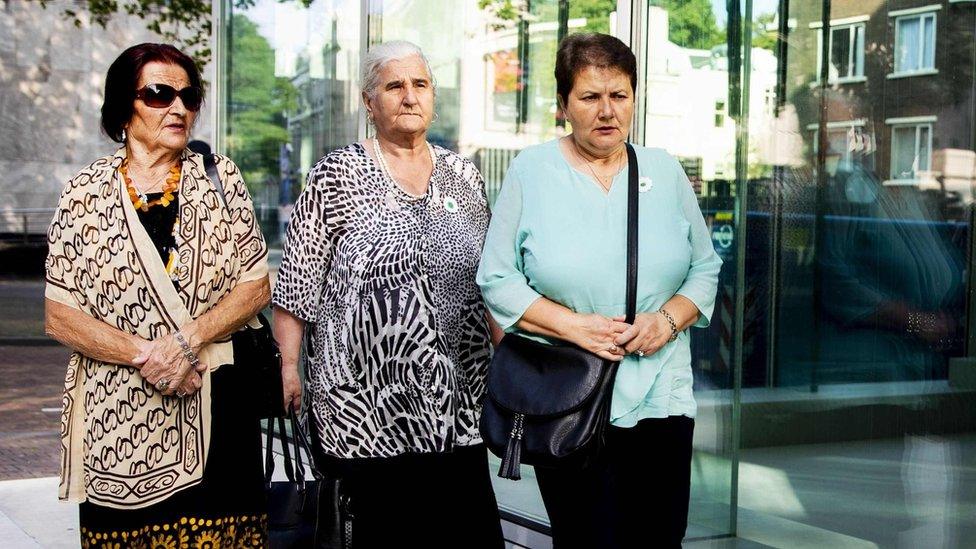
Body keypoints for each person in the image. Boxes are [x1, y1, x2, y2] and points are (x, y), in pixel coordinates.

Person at [476, 33, 722, 548]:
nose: (607, 111)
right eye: (590, 97)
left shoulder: (664, 170)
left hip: (662, 396)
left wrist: (667, 321)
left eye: (620, 95)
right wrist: (575, 327)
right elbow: (496, 277)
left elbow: (705, 267)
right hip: (568, 394)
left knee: (659, 539)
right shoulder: (531, 171)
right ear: (563, 104)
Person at [272, 40, 504, 548]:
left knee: (469, 536)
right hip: (362, 409)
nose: (408, 96)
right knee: (382, 536)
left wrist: (510, 354)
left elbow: (492, 281)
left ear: (433, 96)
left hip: (456, 405)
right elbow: (296, 284)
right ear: (368, 101)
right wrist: (289, 366)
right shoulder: (336, 174)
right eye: (394, 85)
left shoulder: (464, 176)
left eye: (419, 84)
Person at [44, 43, 271, 548]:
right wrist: (150, 356)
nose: (178, 108)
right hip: (117, 411)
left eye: (188, 97)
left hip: (216, 403)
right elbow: (60, 316)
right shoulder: (82, 194)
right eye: (159, 94)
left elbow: (256, 285)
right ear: (123, 105)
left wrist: (187, 340)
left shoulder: (220, 178)